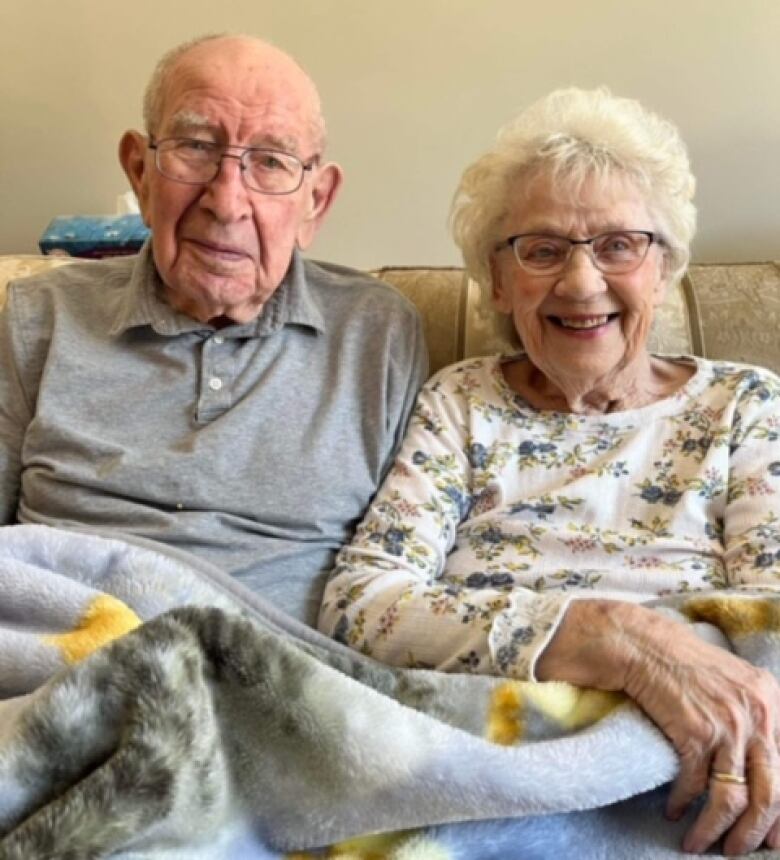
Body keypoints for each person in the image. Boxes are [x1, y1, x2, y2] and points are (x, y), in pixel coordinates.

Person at [319, 87, 780, 856]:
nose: (581, 282)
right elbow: (361, 602)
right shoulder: (460, 401)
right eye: (542, 250)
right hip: (484, 745)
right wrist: (604, 636)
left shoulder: (745, 403)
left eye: (619, 245)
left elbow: (773, 617)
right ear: (497, 282)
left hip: (686, 764)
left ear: (664, 268)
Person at [0, 34, 427, 625]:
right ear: (140, 171)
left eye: (271, 162)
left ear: (316, 203)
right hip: (58, 668)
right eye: (195, 147)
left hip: (277, 687)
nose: (227, 202)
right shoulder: (36, 319)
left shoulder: (377, 334)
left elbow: (403, 582)